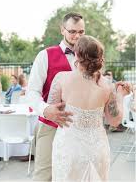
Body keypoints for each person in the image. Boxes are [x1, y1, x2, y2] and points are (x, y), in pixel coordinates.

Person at [49, 35, 131, 181]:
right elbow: (114, 121)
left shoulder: (61, 79)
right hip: (97, 149)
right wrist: (120, 95)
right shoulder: (107, 85)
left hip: (69, 147)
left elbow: (53, 113)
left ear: (76, 54)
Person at [26, 12, 85, 181]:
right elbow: (31, 92)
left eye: (81, 32)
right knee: (44, 176)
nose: (77, 36)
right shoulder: (45, 55)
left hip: (80, 128)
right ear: (62, 30)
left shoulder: (88, 57)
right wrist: (46, 110)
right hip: (50, 126)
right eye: (72, 31)